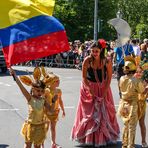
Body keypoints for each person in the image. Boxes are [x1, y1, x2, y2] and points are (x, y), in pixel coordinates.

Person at [71, 39, 120, 147]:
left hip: (103, 87)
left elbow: (109, 78)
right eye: (92, 51)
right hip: (89, 87)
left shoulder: (107, 61)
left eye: (96, 51)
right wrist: (90, 90)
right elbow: (84, 77)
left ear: (101, 50)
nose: (94, 53)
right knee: (90, 113)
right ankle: (89, 138)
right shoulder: (87, 60)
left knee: (104, 112)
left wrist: (105, 91)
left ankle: (104, 138)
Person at [9, 67, 47, 148]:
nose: (40, 93)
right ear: (33, 90)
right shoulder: (30, 98)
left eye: (41, 91)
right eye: (38, 90)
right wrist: (14, 75)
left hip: (40, 126)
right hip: (31, 125)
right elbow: (21, 87)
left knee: (37, 146)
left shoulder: (43, 100)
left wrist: (53, 101)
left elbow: (50, 110)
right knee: (27, 146)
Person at [117, 56, 147, 148]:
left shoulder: (121, 78)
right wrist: (146, 88)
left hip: (123, 103)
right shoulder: (136, 80)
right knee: (132, 126)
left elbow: (120, 89)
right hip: (132, 105)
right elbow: (142, 91)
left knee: (125, 125)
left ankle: (124, 144)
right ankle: (130, 145)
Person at [42, 70, 65, 148]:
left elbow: (60, 101)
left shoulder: (58, 91)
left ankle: (53, 143)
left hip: (55, 112)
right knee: (46, 128)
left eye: (59, 80)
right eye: (57, 81)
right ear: (51, 82)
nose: (59, 82)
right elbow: (43, 101)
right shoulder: (46, 91)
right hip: (47, 112)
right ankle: (42, 143)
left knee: (53, 128)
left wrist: (63, 109)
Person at [134, 64, 148, 148]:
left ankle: (143, 141)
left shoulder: (144, 82)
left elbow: (145, 94)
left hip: (142, 105)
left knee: (142, 123)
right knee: (132, 124)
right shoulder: (132, 81)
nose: (138, 73)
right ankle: (129, 141)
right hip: (133, 105)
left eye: (140, 72)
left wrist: (146, 89)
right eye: (136, 72)